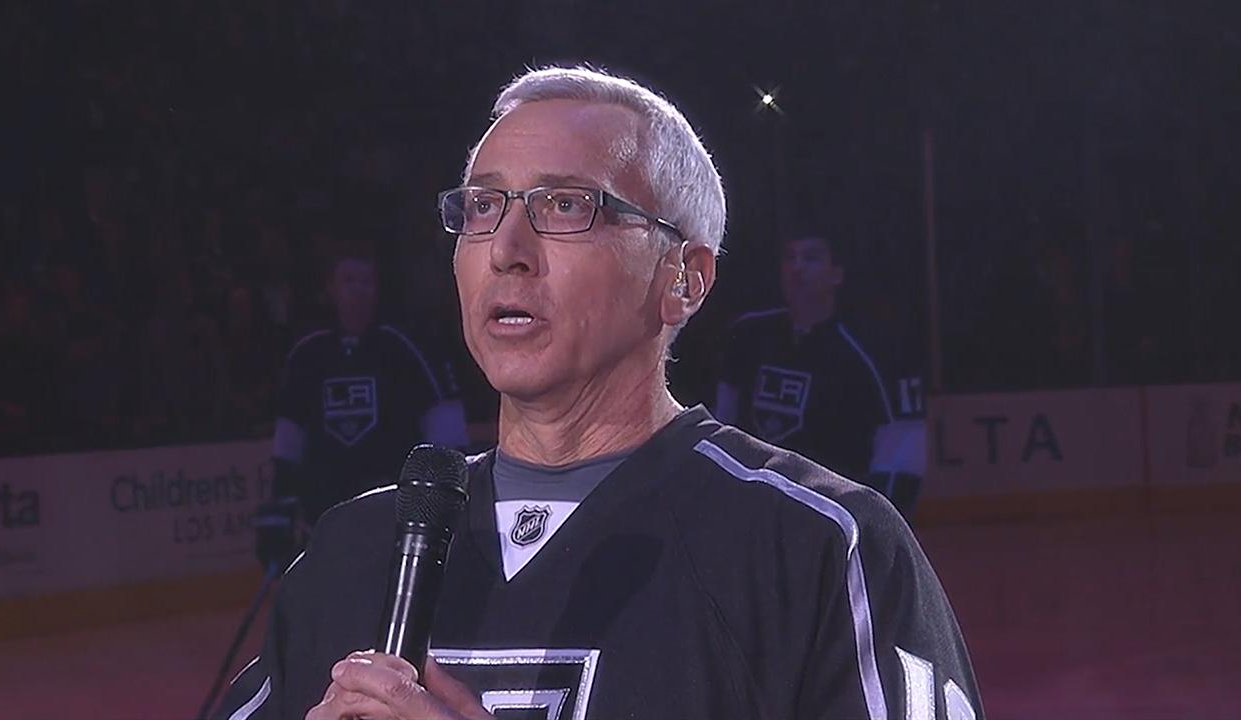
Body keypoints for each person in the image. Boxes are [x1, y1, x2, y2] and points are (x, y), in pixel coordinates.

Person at [217, 67, 981, 720]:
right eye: (483, 206)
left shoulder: (822, 549)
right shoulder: (353, 553)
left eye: (565, 206)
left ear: (684, 279)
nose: (506, 251)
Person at [270, 244, 469, 530]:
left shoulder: (405, 348)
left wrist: (445, 497)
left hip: (392, 516)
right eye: (349, 281)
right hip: (324, 517)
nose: (358, 290)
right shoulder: (307, 355)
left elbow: (447, 428)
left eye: (366, 281)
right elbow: (288, 440)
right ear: (331, 288)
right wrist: (282, 504)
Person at [714, 233, 892, 484]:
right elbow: (723, 418)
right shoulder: (748, 335)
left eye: (810, 258)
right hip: (751, 495)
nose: (797, 268)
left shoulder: (857, 357)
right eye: (790, 257)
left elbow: (885, 445)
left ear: (836, 275)